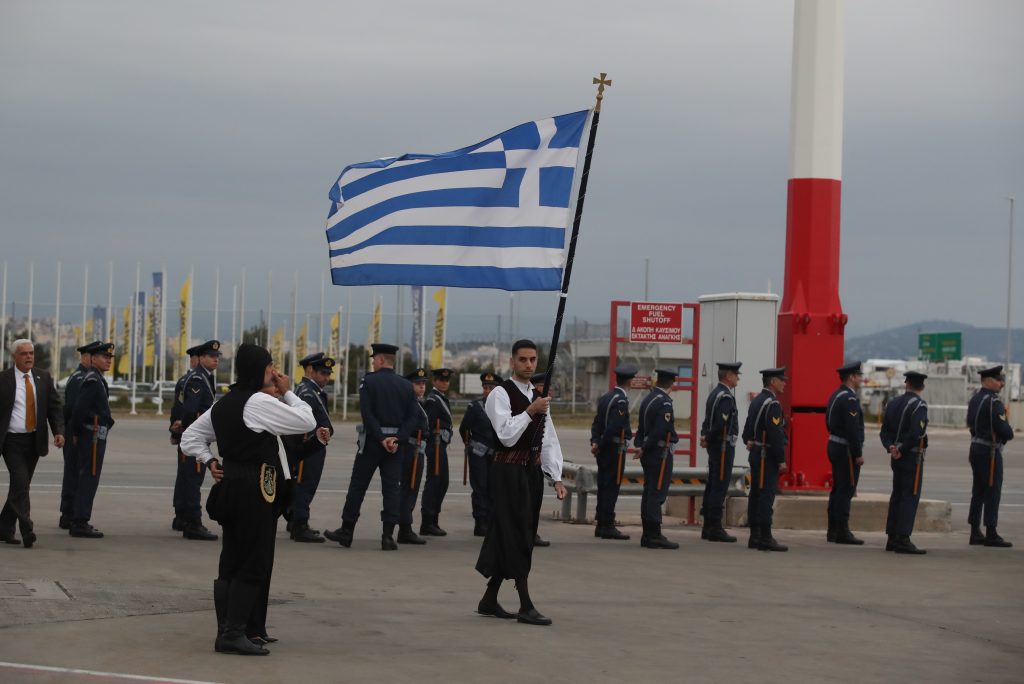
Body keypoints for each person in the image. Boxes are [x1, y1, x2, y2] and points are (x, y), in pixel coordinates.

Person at [180, 343, 315, 656]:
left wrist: (210, 460)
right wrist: (290, 391)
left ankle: (228, 629)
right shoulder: (255, 402)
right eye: (270, 366)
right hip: (254, 487)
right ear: (260, 368)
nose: (274, 371)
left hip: (232, 485)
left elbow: (190, 437)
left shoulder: (225, 403)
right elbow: (306, 421)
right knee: (253, 562)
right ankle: (235, 633)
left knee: (231, 560)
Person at [475, 339, 566, 627]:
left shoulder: (537, 396)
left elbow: (547, 438)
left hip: (530, 473)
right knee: (515, 535)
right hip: (507, 472)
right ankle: (525, 604)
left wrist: (556, 475)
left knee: (519, 533)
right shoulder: (500, 395)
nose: (528, 365)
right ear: (512, 362)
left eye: (533, 360)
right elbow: (505, 435)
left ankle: (489, 599)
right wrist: (530, 411)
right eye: (523, 360)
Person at [325, 343, 420, 550]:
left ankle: (347, 531)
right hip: (395, 446)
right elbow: (413, 417)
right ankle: (387, 536)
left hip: (372, 444)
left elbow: (367, 414)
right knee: (391, 490)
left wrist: (380, 437)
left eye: (374, 359)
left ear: (380, 360)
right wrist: (397, 438)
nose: (373, 362)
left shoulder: (369, 381)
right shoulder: (406, 385)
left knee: (358, 486)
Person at [0, 339, 64, 548]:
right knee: (20, 482)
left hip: (34, 440)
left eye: (31, 353)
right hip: (11, 441)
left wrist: (58, 431)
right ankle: (27, 528)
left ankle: (3, 528)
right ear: (14, 357)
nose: (29, 357)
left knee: (21, 486)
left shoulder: (43, 377)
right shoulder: (4, 379)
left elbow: (54, 407)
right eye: (24, 353)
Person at [282, 353, 335, 543]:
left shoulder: (312, 391)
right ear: (310, 371)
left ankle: (294, 518)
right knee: (306, 484)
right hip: (309, 445)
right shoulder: (307, 392)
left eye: (329, 373)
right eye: (323, 373)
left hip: (312, 444)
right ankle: (300, 525)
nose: (326, 377)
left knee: (303, 484)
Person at [172, 340, 221, 541]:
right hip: (196, 438)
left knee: (188, 477)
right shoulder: (198, 380)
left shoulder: (203, 378)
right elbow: (191, 410)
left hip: (192, 435)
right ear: (200, 358)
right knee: (193, 478)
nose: (215, 359)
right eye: (211, 356)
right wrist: (189, 430)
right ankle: (193, 522)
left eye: (217, 356)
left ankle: (183, 517)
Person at [68, 342, 115, 538]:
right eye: (104, 357)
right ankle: (80, 521)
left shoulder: (97, 378)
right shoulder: (92, 380)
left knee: (90, 477)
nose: (108, 361)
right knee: (89, 477)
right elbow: (79, 410)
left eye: (110, 358)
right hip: (92, 436)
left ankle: (80, 519)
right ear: (93, 358)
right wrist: (77, 433)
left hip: (96, 433)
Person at [880, 370, 929, 555]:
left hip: (896, 456)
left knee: (897, 495)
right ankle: (903, 538)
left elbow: (884, 432)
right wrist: (902, 448)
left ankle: (892, 537)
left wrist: (891, 447)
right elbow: (916, 433)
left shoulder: (893, 403)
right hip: (911, 456)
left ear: (906, 383)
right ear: (922, 386)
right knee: (910, 496)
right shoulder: (919, 406)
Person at [742, 368, 789, 552]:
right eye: (781, 380)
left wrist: (749, 441)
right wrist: (781, 459)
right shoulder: (772, 404)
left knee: (756, 493)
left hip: (757, 452)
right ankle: (765, 536)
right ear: (772, 382)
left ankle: (755, 535)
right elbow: (776, 434)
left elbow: (747, 429)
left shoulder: (757, 401)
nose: (784, 383)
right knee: (765, 495)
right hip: (766, 455)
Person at [966, 365, 1013, 547]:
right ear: (987, 381)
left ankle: (975, 531)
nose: (1001, 383)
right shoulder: (994, 402)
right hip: (990, 451)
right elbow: (1004, 430)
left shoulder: (975, 399)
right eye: (998, 379)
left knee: (978, 490)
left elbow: (971, 424)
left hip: (976, 447)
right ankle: (991, 532)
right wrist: (1009, 433)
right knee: (992, 490)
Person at [590, 364, 637, 540]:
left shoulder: (606, 397)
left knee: (604, 485)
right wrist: (600, 445)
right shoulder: (621, 401)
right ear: (630, 381)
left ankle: (601, 523)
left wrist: (595, 442)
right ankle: (607, 524)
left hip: (604, 448)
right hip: (614, 449)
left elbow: (597, 423)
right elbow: (613, 428)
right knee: (611, 486)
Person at [635, 368, 680, 549]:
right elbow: (660, 431)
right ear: (671, 383)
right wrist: (645, 447)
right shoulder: (664, 403)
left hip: (648, 452)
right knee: (657, 492)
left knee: (649, 491)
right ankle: (654, 534)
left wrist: (640, 446)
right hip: (658, 453)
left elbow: (641, 428)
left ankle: (648, 532)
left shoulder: (648, 398)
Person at [699, 362, 741, 543]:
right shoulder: (725, 397)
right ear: (728, 376)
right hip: (722, 447)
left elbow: (707, 421)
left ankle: (708, 526)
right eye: (736, 375)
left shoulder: (714, 394)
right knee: (719, 485)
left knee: (713, 483)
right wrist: (708, 437)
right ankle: (714, 527)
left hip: (715, 446)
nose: (738, 378)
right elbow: (719, 425)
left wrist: (704, 436)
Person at [825, 361, 866, 545]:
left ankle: (833, 530)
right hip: (846, 450)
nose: (861, 378)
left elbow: (828, 422)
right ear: (851, 377)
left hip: (835, 444)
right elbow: (852, 429)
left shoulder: (836, 395)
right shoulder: (849, 399)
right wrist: (857, 453)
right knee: (846, 489)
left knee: (837, 489)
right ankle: (842, 530)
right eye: (858, 375)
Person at [59, 341, 97, 530]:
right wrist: (73, 432)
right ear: (84, 357)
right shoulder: (79, 378)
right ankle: (68, 513)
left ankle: (70, 512)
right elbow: (74, 408)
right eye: (94, 355)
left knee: (76, 471)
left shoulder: (85, 376)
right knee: (73, 472)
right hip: (75, 430)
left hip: (77, 430)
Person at [460, 371, 502, 537]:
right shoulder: (475, 407)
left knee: (494, 487)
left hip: (497, 454)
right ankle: (480, 522)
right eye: (485, 387)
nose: (487, 390)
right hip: (478, 453)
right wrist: (470, 445)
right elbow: (464, 429)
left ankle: (491, 519)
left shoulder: (504, 408)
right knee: (480, 487)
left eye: (491, 388)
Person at [397, 367, 430, 544]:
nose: (422, 387)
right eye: (418, 384)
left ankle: (405, 525)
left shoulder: (418, 403)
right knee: (409, 488)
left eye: (424, 384)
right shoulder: (408, 403)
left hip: (418, 449)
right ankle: (405, 527)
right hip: (411, 450)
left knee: (412, 488)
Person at [420, 367, 454, 536]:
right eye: (441, 380)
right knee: (435, 480)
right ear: (434, 381)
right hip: (435, 444)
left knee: (442, 481)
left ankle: (433, 519)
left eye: (446, 380)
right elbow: (428, 423)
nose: (444, 382)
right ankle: (427, 521)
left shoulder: (441, 398)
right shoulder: (433, 400)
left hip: (441, 444)